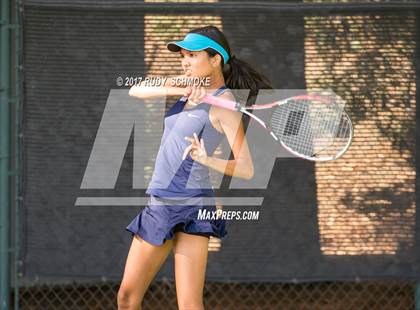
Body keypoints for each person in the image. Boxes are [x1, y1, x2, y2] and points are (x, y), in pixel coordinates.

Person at [118, 25, 272, 310]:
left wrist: (207, 159)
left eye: (192, 55)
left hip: (193, 206)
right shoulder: (188, 89)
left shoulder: (225, 104)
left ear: (215, 60)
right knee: (127, 299)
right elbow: (135, 90)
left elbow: (247, 168)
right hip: (161, 204)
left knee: (189, 305)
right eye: (183, 56)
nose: (185, 61)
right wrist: (181, 84)